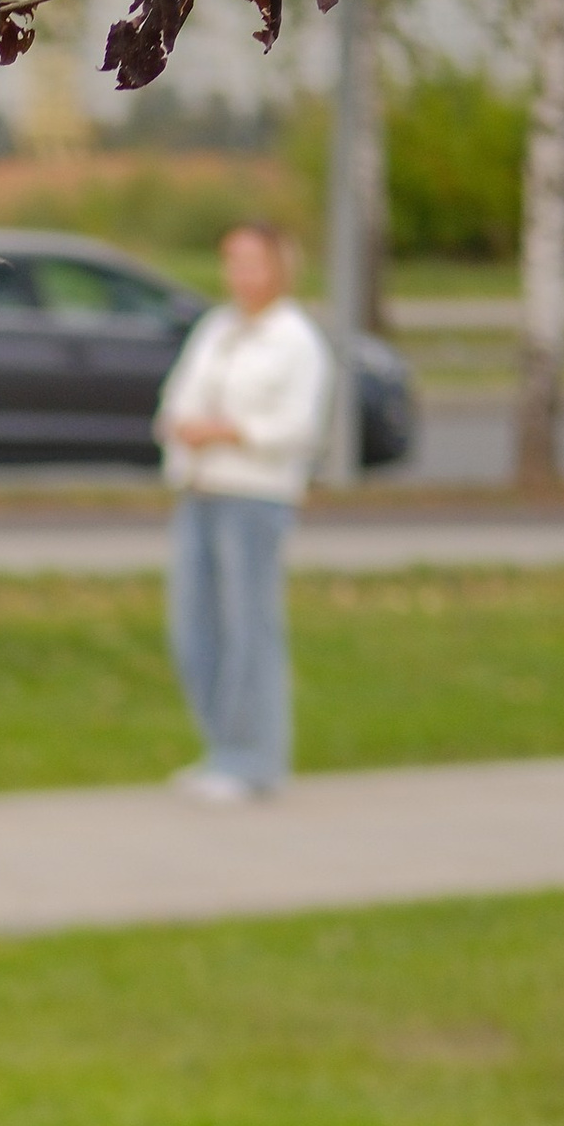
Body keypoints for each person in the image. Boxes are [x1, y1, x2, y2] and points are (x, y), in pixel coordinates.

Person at [153, 221, 335, 803]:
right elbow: (176, 401)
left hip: (255, 499)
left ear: (279, 266)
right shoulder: (217, 328)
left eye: (252, 261)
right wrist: (184, 427)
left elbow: (299, 428)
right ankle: (221, 751)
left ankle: (253, 760)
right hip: (199, 491)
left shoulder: (295, 338)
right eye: (232, 261)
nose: (240, 273)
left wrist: (232, 430)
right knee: (195, 629)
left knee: (248, 630)